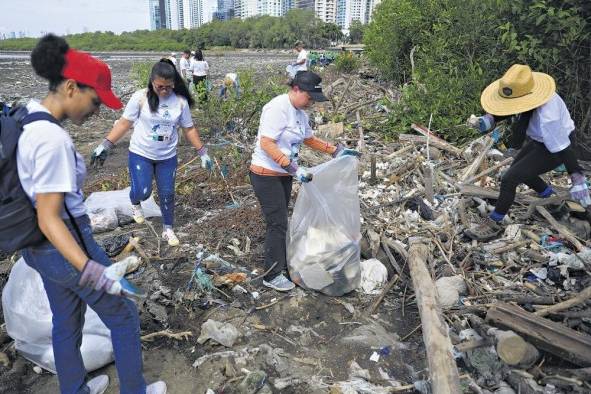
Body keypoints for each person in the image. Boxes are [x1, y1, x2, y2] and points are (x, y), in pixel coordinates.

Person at [17, 34, 166, 394]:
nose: (97, 111)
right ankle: (135, 390)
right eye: (96, 101)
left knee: (66, 321)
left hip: (37, 249)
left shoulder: (27, 118)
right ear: (71, 88)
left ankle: (75, 389)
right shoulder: (52, 141)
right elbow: (50, 218)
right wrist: (90, 269)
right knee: (124, 315)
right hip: (65, 246)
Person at [249, 71, 360, 291]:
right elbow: (267, 143)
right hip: (265, 174)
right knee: (277, 223)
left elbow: (308, 138)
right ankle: (271, 276)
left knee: (281, 221)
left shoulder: (300, 113)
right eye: (309, 98)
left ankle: (283, 265)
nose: (311, 103)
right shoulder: (277, 108)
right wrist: (292, 166)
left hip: (284, 175)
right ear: (296, 89)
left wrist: (335, 151)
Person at [91, 58, 212, 247]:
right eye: (160, 86)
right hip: (141, 153)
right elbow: (124, 123)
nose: (164, 90)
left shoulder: (180, 102)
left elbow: (189, 128)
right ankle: (135, 202)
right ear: (152, 82)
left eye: (169, 87)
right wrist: (105, 145)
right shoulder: (140, 98)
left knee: (167, 193)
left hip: (167, 157)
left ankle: (168, 228)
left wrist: (202, 152)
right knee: (143, 191)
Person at [465, 64, 590, 241]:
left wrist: (577, 177)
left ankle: (494, 223)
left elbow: (563, 148)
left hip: (556, 145)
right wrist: (490, 118)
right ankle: (552, 201)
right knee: (520, 170)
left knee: (510, 178)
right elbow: (514, 107)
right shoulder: (525, 94)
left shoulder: (549, 118)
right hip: (540, 141)